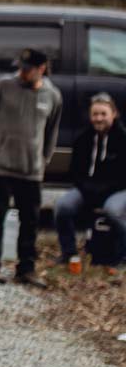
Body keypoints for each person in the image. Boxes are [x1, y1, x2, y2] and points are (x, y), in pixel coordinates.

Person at [0, 47, 62, 287]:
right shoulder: (2, 86)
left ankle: (26, 269)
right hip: (1, 164)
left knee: (30, 220)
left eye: (28, 69)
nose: (22, 72)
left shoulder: (52, 95)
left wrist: (44, 158)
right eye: (21, 67)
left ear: (41, 69)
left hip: (31, 169)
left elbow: (52, 130)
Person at [56, 92, 126, 265]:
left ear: (114, 114)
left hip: (118, 190)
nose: (99, 118)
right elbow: (74, 172)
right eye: (95, 114)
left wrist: (103, 190)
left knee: (113, 211)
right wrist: (87, 188)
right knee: (62, 207)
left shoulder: (123, 139)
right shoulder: (83, 139)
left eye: (103, 114)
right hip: (87, 190)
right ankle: (69, 253)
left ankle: (122, 255)